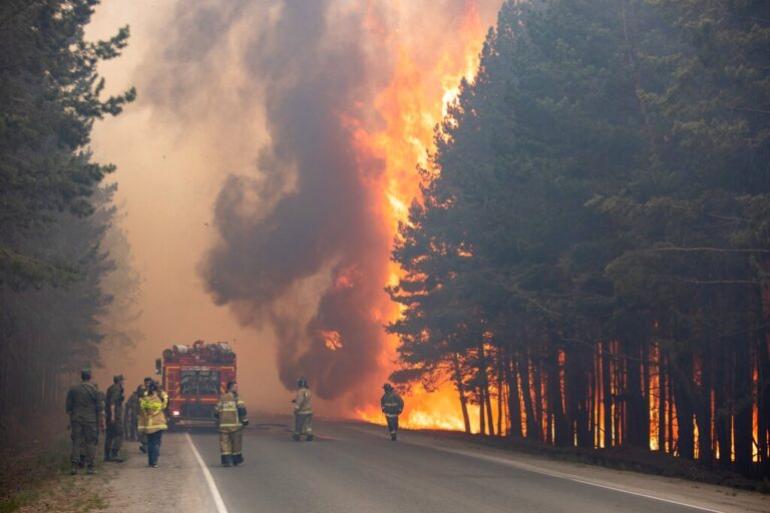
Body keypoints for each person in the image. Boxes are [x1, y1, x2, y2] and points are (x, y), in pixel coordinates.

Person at [65, 368, 104, 475]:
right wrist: (101, 423)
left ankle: (74, 466)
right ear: (90, 377)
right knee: (90, 442)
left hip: (76, 419)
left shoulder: (73, 389)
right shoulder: (95, 390)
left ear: (81, 376)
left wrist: (71, 420)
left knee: (76, 442)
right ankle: (90, 467)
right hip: (90, 420)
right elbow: (99, 408)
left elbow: (68, 407)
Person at [215, 381, 249, 467]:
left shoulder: (222, 398)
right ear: (230, 388)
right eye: (235, 387)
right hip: (235, 426)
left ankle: (226, 461)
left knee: (224, 444)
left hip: (223, 426)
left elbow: (216, 411)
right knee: (236, 443)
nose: (236, 388)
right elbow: (242, 411)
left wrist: (219, 420)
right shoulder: (237, 399)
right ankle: (236, 460)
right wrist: (245, 421)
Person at [138, 380, 168, 467]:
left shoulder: (146, 398)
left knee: (150, 443)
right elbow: (165, 404)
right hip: (159, 423)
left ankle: (150, 462)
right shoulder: (159, 398)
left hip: (149, 423)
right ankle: (155, 462)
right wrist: (160, 391)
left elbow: (142, 408)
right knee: (157, 443)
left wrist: (147, 416)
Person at [104, 374, 125, 462]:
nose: (124, 382)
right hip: (115, 416)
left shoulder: (111, 388)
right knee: (119, 434)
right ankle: (114, 454)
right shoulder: (117, 389)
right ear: (119, 381)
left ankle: (107, 456)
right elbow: (112, 403)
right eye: (122, 380)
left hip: (110, 415)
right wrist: (113, 416)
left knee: (110, 435)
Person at [136, 377, 152, 453]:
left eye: (149, 382)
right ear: (145, 382)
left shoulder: (153, 390)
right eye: (147, 382)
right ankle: (145, 445)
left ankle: (146, 446)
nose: (148, 384)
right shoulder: (141, 390)